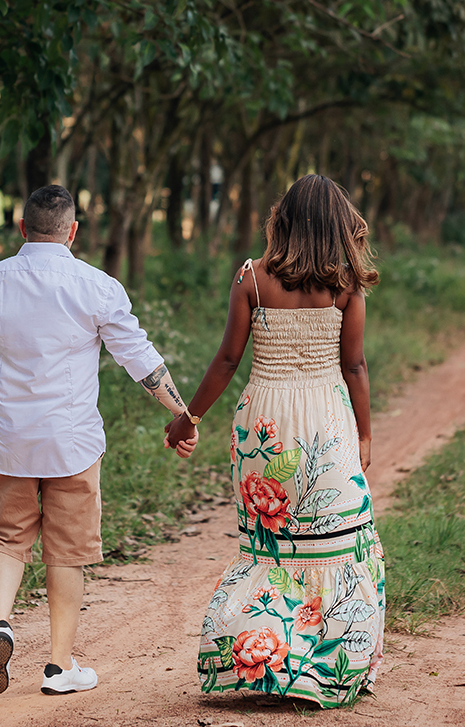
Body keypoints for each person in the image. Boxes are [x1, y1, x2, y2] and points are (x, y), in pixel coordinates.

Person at [0, 184, 198, 697]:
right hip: (73, 443)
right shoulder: (97, 286)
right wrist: (182, 413)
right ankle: (60, 667)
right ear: (73, 232)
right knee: (67, 552)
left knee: (5, 538)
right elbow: (139, 358)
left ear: (22, 228)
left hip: (8, 440)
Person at [165, 174, 385, 708]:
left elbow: (227, 360)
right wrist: (365, 433)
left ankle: (263, 659)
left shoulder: (253, 279)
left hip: (264, 425)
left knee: (272, 546)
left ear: (282, 219)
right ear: (339, 224)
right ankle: (327, 667)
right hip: (326, 421)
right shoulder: (347, 286)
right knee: (337, 541)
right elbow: (353, 365)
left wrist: (188, 417)